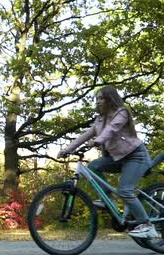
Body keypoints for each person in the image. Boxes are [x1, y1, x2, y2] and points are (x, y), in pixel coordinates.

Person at [58, 85, 156, 238]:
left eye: (101, 98)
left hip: (136, 156)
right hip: (118, 159)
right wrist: (67, 150)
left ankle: (147, 225)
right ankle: (108, 198)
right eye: (96, 99)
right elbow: (85, 135)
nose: (97, 102)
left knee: (125, 190)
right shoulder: (99, 120)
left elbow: (112, 129)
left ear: (110, 99)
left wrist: (98, 141)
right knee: (93, 166)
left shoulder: (121, 113)